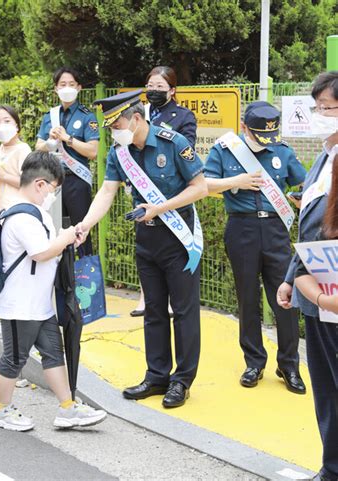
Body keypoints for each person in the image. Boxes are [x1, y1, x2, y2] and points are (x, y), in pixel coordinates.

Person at [76, 90, 208, 408]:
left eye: (117, 123)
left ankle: (181, 381)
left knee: (184, 312)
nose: (113, 131)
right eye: (109, 126)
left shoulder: (173, 142)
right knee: (153, 312)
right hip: (146, 240)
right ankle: (157, 376)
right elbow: (106, 193)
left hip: (179, 241)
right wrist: (86, 224)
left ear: (136, 118)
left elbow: (200, 187)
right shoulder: (119, 153)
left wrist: (161, 208)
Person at [0, 151, 107, 431]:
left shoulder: (36, 213)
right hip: (19, 304)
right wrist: (64, 239)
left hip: (39, 303)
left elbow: (51, 249)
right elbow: (40, 253)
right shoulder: (21, 216)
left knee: (53, 352)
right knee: (15, 358)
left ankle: (68, 408)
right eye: (54, 188)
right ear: (40, 184)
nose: (54, 194)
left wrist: (67, 238)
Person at [204, 101, 307, 393]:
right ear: (244, 127)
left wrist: (299, 196)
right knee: (247, 297)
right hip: (242, 228)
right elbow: (203, 184)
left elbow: (302, 184)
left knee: (285, 299)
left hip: (275, 230)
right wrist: (235, 181)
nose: (265, 141)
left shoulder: (281, 150)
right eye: (258, 134)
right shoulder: (225, 150)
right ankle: (254, 362)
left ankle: (289, 365)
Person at [277, 71, 338, 481]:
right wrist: (289, 277)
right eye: (318, 109)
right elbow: (310, 228)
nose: (322, 116)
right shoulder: (323, 157)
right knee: (327, 391)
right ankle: (331, 468)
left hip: (332, 294)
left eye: (330, 109)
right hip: (318, 293)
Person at [131, 65, 198, 317]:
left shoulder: (183, 116)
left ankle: (170, 301)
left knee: (172, 257)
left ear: (172, 90)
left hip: (172, 194)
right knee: (146, 253)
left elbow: (186, 149)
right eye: (150, 86)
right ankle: (144, 297)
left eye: (159, 87)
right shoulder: (140, 113)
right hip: (143, 191)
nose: (153, 91)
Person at [0, 105, 31, 343]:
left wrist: (2, 174)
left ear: (17, 125)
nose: (1, 126)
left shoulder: (23, 150)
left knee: (11, 269)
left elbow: (28, 182)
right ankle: (2, 321)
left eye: (6, 121)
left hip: (16, 215)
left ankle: (11, 323)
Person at [35, 67, 99, 255]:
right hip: (52, 182)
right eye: (62, 84)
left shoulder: (87, 116)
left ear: (79, 88)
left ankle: (88, 280)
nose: (67, 88)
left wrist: (67, 138)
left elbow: (93, 151)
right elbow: (38, 146)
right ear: (56, 89)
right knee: (54, 231)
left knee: (81, 231)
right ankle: (60, 281)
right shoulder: (50, 116)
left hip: (76, 181)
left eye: (71, 84)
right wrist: (50, 141)